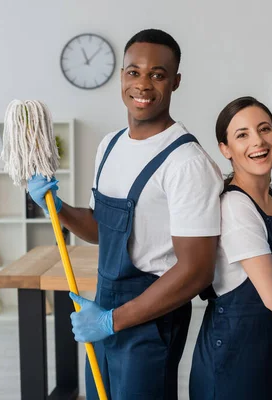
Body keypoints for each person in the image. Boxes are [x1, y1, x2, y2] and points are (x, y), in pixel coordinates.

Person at [28, 28, 223, 399]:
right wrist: (56, 206)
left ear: (175, 81)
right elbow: (102, 228)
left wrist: (111, 321)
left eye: (158, 74)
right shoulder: (110, 145)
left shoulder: (186, 163)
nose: (143, 85)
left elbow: (197, 271)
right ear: (121, 76)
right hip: (101, 306)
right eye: (134, 72)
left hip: (151, 319)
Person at [189, 96, 272, 400]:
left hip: (270, 351)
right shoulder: (235, 206)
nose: (258, 141)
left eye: (264, 129)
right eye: (242, 135)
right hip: (231, 357)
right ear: (225, 149)